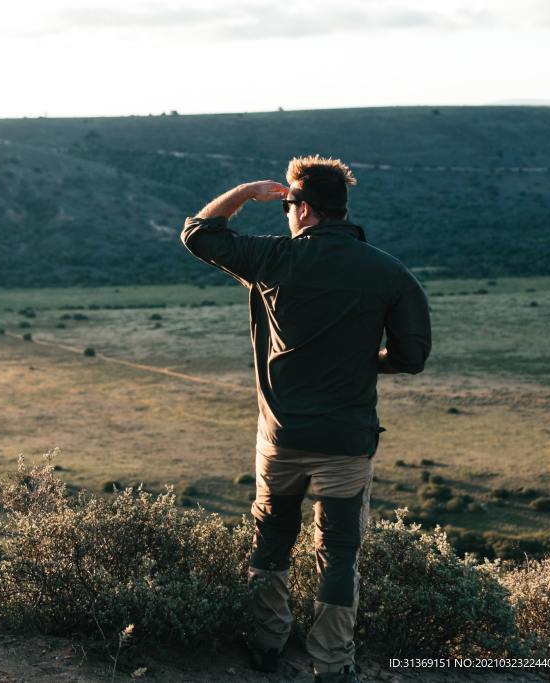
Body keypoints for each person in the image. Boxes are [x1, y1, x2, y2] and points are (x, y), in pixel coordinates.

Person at [180, 156, 431, 683]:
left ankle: (267, 645)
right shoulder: (389, 272)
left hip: (282, 439)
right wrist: (368, 360)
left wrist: (248, 192)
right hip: (346, 441)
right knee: (339, 553)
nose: (286, 214)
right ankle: (333, 663)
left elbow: (198, 233)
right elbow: (411, 356)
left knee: (271, 542)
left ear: (304, 208)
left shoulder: (272, 259)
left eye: (289, 205)